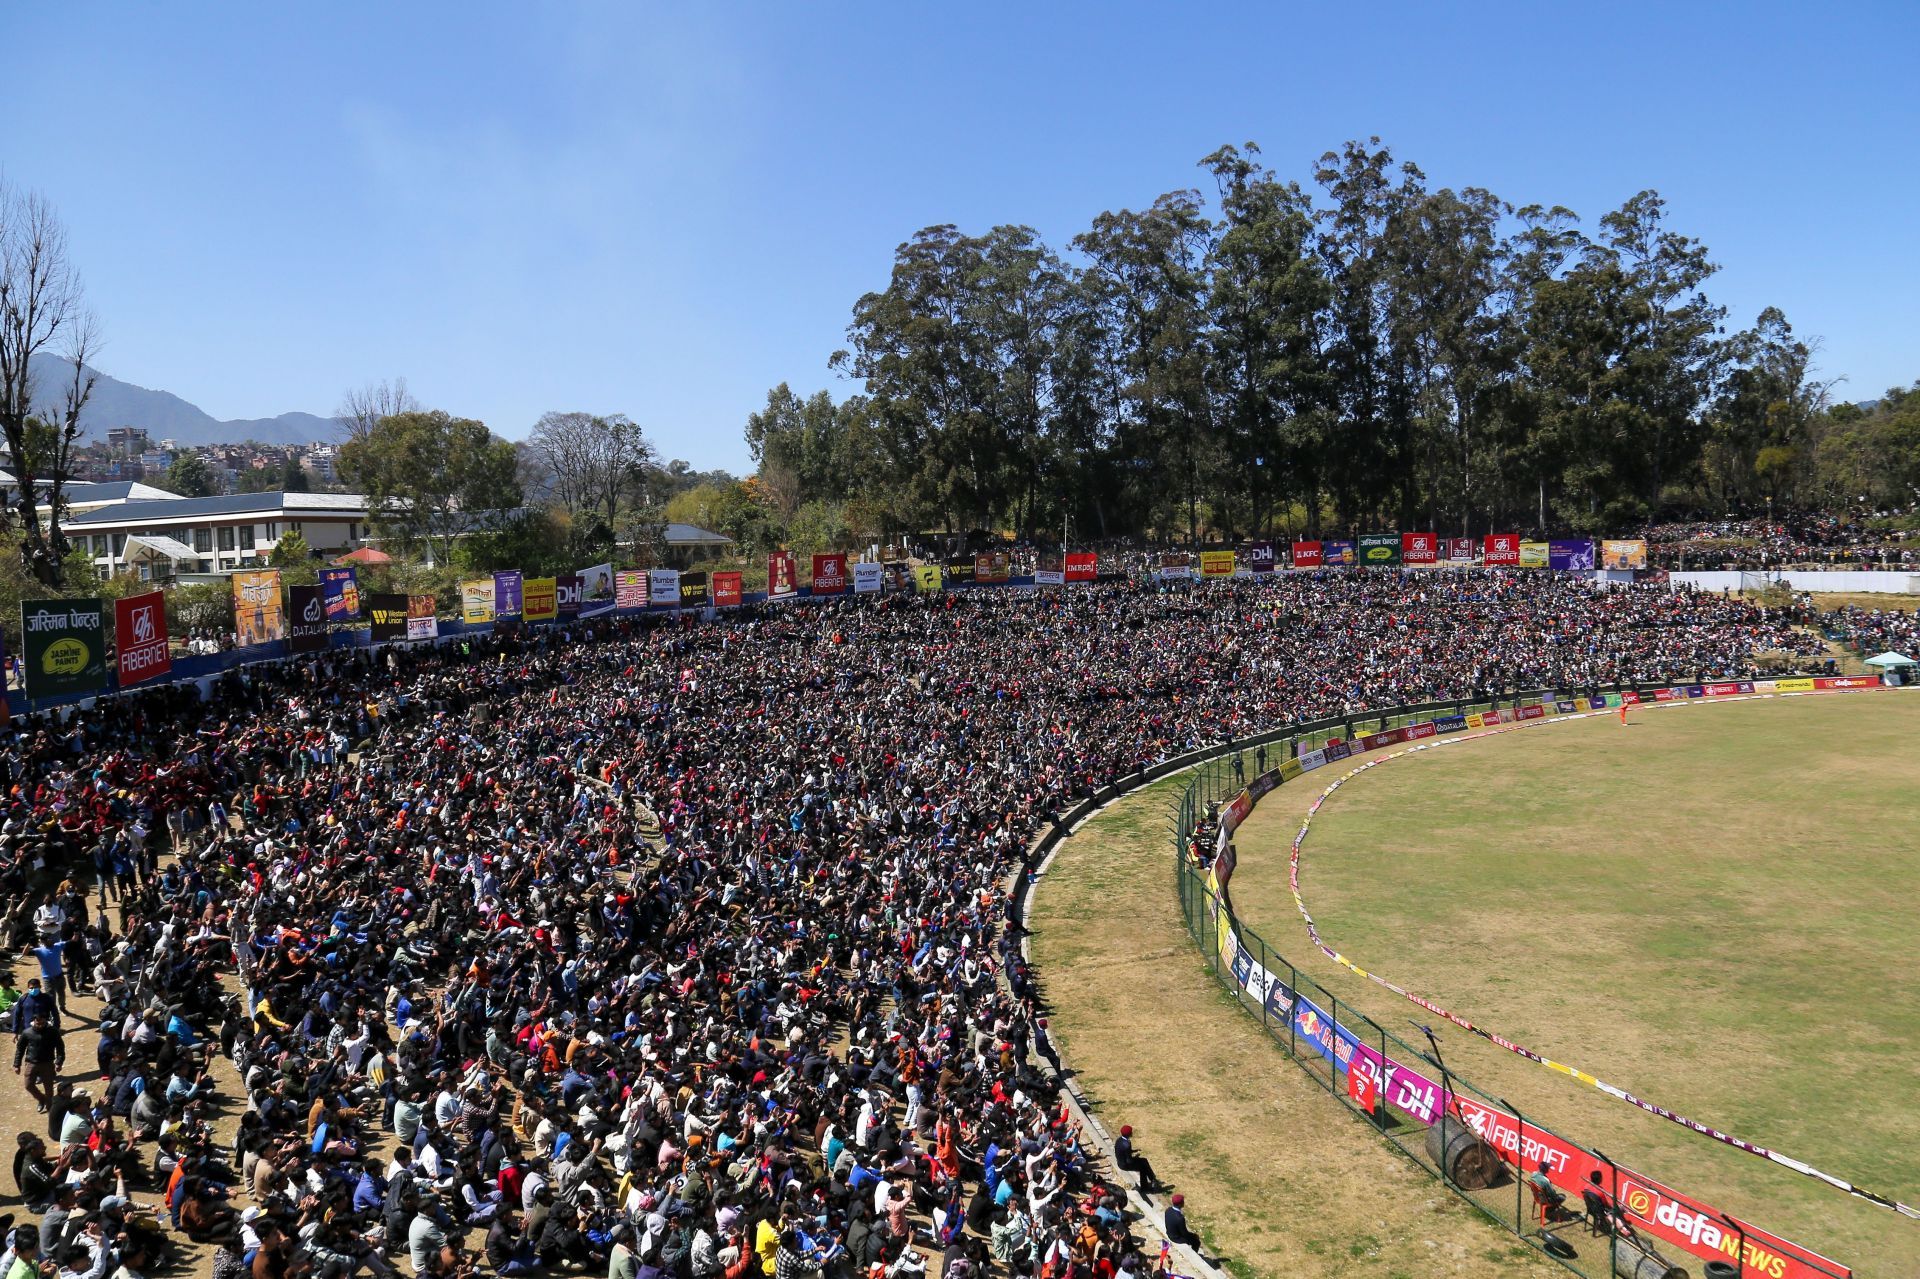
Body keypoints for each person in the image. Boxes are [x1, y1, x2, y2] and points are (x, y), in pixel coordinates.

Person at [1112, 1126, 1164, 1195]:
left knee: (1144, 1161)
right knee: (1143, 1167)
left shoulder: (1119, 1140)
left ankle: (1152, 1180)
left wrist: (1134, 1151)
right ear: (1129, 1134)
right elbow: (1129, 1160)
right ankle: (1149, 1184)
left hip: (1120, 1162)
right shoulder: (1127, 1144)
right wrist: (1135, 1157)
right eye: (1131, 1132)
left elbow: (1123, 1151)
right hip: (1125, 1165)